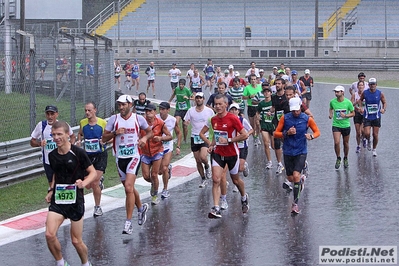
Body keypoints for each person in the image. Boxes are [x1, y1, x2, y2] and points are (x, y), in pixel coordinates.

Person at [45, 120, 96, 266]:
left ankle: (85, 263)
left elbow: (92, 172)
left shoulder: (78, 152)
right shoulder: (52, 155)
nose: (56, 138)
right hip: (58, 199)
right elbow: (56, 173)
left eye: (59, 134)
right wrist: (51, 190)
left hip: (75, 200)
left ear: (68, 134)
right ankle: (61, 263)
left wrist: (84, 183)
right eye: (54, 135)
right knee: (49, 234)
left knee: (76, 241)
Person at [102, 94, 152, 234]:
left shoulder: (138, 118)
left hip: (134, 156)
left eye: (123, 104)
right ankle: (141, 209)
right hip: (120, 158)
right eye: (119, 105)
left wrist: (144, 139)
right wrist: (114, 133)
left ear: (130, 105)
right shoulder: (114, 119)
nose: (121, 107)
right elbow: (104, 138)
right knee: (128, 189)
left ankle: (128, 223)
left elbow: (150, 132)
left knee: (129, 187)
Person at [199, 94, 249, 219]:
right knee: (216, 179)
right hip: (218, 153)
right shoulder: (214, 119)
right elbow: (217, 136)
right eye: (216, 104)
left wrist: (229, 139)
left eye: (220, 104)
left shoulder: (233, 118)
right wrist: (211, 145)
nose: (218, 106)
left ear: (226, 105)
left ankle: (244, 197)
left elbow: (244, 135)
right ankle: (216, 207)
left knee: (236, 180)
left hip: (232, 153)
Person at [274, 98, 320, 214]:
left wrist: (312, 136)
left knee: (295, 176)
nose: (296, 112)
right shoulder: (285, 118)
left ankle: (295, 204)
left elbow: (317, 131)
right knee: (290, 178)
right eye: (293, 110)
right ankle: (300, 181)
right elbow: (276, 133)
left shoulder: (306, 119)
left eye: (297, 110)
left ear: (301, 107)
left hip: (301, 151)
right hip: (288, 151)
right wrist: (286, 133)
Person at [30, 105, 75, 188]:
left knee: (65, 181)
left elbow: (72, 137)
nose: (50, 116)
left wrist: (70, 148)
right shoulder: (41, 125)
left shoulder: (63, 125)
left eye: (52, 114)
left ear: (57, 114)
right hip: (48, 161)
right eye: (48, 114)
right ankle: (53, 196)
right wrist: (39, 144)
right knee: (52, 184)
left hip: (62, 159)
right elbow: (32, 142)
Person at [77, 102, 108, 217]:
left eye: (89, 110)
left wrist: (104, 141)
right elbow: (80, 133)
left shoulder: (103, 123)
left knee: (94, 182)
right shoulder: (83, 123)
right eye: (85, 110)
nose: (87, 113)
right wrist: (79, 140)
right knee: (88, 185)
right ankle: (99, 182)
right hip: (87, 157)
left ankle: (97, 207)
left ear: (95, 110)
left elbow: (110, 138)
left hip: (100, 155)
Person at [140, 103, 172, 205]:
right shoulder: (142, 122)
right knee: (146, 176)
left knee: (154, 174)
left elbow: (169, 136)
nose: (148, 114)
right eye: (146, 112)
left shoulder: (160, 123)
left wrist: (161, 138)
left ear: (155, 112)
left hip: (157, 151)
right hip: (145, 152)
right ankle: (154, 184)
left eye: (150, 111)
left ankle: (154, 195)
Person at [184, 92, 214, 187]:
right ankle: (203, 178)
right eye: (197, 98)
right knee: (197, 160)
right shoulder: (191, 110)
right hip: (194, 136)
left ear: (203, 99)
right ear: (195, 99)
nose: (198, 99)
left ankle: (207, 166)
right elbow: (185, 121)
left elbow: (214, 122)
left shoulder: (209, 111)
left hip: (205, 136)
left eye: (200, 98)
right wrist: (186, 124)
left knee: (203, 157)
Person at [156, 102, 182, 198]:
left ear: (168, 110)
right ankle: (168, 169)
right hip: (157, 147)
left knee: (164, 168)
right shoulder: (156, 118)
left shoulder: (173, 120)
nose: (161, 111)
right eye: (160, 109)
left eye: (163, 109)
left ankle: (165, 189)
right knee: (159, 172)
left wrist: (178, 146)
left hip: (167, 147)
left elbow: (179, 133)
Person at [358, 78, 387, 157]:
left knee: (375, 134)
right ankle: (368, 140)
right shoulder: (365, 93)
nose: (372, 85)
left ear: (376, 84)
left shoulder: (380, 93)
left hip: (376, 116)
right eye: (371, 84)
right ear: (369, 85)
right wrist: (361, 107)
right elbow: (360, 100)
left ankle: (374, 149)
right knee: (366, 133)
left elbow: (384, 102)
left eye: (374, 84)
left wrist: (383, 109)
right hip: (367, 116)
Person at [329, 86, 355, 169]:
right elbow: (331, 108)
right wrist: (330, 114)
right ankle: (338, 158)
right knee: (337, 142)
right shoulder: (332, 102)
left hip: (346, 125)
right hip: (336, 125)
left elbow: (353, 113)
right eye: (335, 92)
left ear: (342, 92)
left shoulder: (348, 102)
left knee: (345, 143)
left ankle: (346, 157)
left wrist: (346, 115)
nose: (336, 93)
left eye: (338, 92)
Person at [229, 103, 253, 179]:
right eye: (232, 110)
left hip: (242, 146)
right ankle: (236, 183)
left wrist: (246, 135)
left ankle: (244, 166)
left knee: (240, 168)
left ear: (238, 111)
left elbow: (251, 129)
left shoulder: (242, 120)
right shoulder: (228, 120)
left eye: (235, 110)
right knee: (233, 166)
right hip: (232, 146)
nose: (233, 111)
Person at [168, 78, 192, 143]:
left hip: (186, 110)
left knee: (184, 125)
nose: (181, 86)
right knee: (176, 122)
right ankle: (177, 136)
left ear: (184, 85)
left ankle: (184, 139)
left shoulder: (187, 90)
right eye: (180, 84)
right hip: (178, 108)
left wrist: (188, 98)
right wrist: (169, 101)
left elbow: (193, 97)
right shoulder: (177, 89)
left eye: (182, 85)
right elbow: (173, 94)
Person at [256, 85, 275, 169]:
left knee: (274, 145)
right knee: (266, 143)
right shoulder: (261, 103)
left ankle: (280, 160)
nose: (266, 93)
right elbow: (257, 112)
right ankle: (269, 161)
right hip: (264, 125)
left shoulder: (273, 102)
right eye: (265, 92)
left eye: (268, 92)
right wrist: (258, 118)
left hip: (273, 125)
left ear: (271, 93)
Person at [243, 74, 262, 146]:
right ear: (250, 80)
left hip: (258, 106)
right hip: (251, 106)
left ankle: (257, 136)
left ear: (257, 80)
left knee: (257, 123)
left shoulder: (260, 87)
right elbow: (243, 97)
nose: (253, 81)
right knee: (252, 124)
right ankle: (254, 137)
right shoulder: (247, 88)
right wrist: (249, 96)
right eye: (252, 79)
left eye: (254, 79)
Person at [351, 80, 366, 153]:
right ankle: (358, 145)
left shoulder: (366, 94)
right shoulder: (355, 95)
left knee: (363, 130)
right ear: (357, 87)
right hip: (357, 114)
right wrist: (356, 103)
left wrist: (364, 110)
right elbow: (350, 105)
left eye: (362, 85)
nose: (360, 87)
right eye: (359, 85)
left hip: (364, 114)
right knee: (358, 132)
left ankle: (364, 138)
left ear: (364, 86)